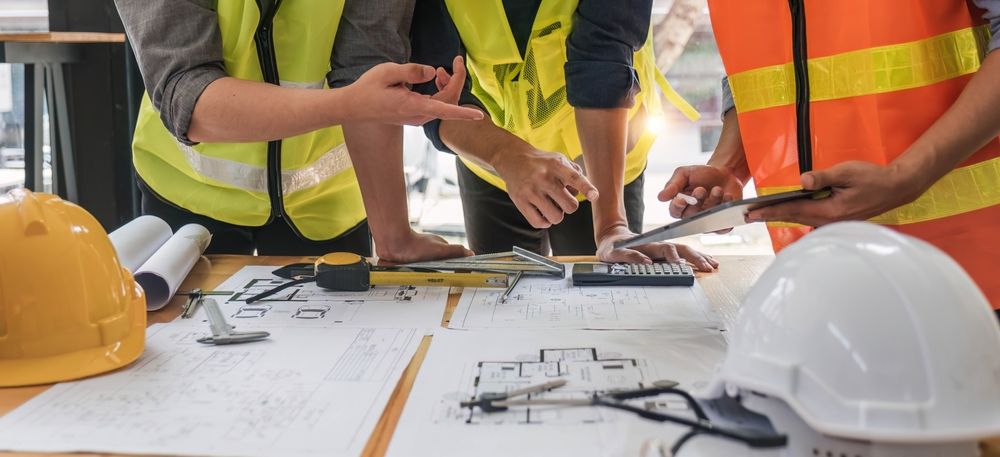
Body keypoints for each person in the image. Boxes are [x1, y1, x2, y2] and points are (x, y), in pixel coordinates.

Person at [659, 0, 1000, 308]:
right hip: (822, 280)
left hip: (970, 275)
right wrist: (730, 166)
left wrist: (907, 175)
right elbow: (766, 60)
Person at [115, 0, 482, 260]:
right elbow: (188, 97)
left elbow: (369, 64)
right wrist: (352, 103)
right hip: (190, 195)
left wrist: (393, 236)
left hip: (325, 201)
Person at [410, 0, 719, 271]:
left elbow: (603, 60)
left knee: (604, 303)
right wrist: (504, 155)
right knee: (501, 304)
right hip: (489, 152)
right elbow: (436, 90)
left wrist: (612, 225)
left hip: (603, 160)